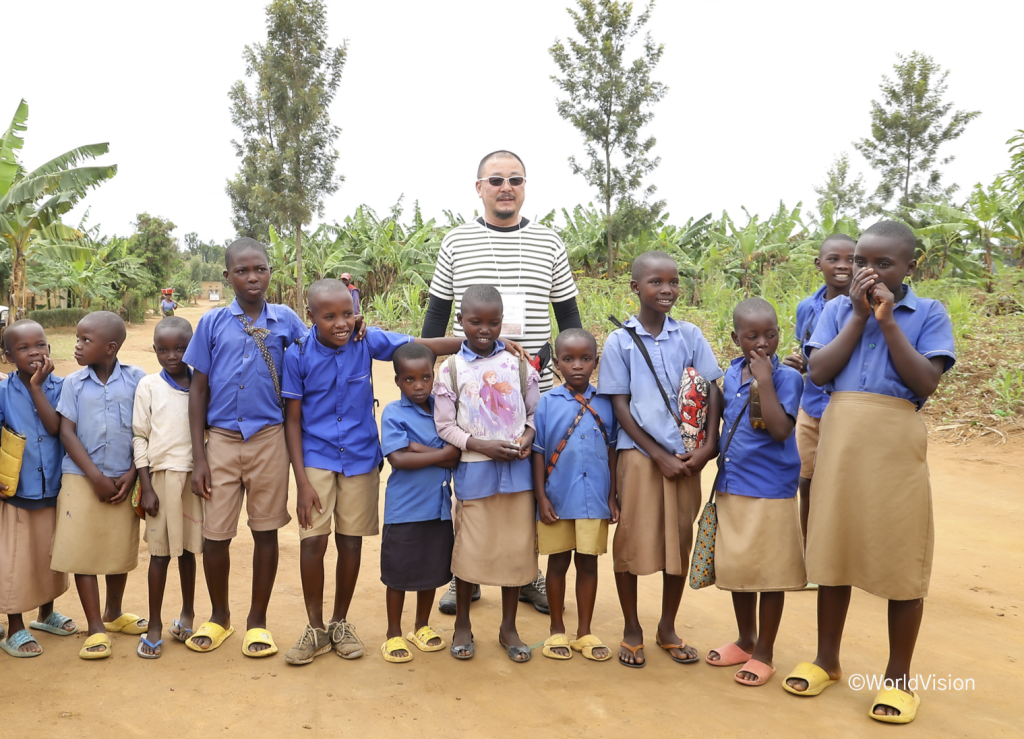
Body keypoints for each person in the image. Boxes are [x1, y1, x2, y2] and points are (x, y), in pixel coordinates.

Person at [784, 221, 955, 725]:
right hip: (840, 434)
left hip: (894, 438)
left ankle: (898, 679)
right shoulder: (837, 310)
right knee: (835, 549)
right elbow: (819, 373)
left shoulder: (928, 312)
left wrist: (886, 320)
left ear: (909, 267)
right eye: (862, 261)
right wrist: (858, 316)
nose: (868, 271)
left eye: (884, 264)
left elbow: (925, 379)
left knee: (901, 555)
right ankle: (826, 660)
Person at [280, 279, 487, 665]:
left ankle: (341, 622)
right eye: (329, 317)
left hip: (360, 457)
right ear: (310, 317)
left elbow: (422, 348)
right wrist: (302, 481)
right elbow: (292, 421)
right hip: (317, 457)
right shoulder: (297, 356)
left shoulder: (365, 340)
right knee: (313, 541)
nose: (341, 323)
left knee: (351, 540)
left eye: (347, 314)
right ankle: (315, 627)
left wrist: (480, 343)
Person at [423, 149, 585, 615]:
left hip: (529, 390)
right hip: (470, 391)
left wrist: (553, 371)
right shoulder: (456, 242)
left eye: (515, 179)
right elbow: (436, 318)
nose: (505, 187)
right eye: (495, 180)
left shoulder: (549, 243)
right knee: (469, 486)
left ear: (525, 186)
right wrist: (438, 378)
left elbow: (568, 317)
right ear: (479, 188)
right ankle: (465, 577)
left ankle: (525, 573)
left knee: (529, 486)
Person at [597, 251, 724, 668]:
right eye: (655, 282)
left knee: (679, 543)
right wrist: (657, 455)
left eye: (673, 281)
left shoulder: (690, 335)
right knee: (631, 540)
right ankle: (632, 627)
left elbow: (713, 390)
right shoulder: (620, 341)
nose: (666, 289)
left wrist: (707, 448)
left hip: (687, 459)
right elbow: (620, 406)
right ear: (636, 288)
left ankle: (667, 626)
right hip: (640, 458)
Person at [183, 238, 308, 657]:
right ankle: (220, 617)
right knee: (215, 536)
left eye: (260, 269)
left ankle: (258, 621)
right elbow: (197, 389)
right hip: (219, 441)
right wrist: (199, 455)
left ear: (271, 271)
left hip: (270, 439)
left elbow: (316, 357)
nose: (252, 277)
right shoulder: (212, 323)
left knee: (265, 530)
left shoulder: (287, 321)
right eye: (242, 271)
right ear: (227, 276)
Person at [433, 284, 540, 663]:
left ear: (502, 323)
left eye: (494, 323)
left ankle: (508, 626)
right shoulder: (450, 370)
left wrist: (527, 436)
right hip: (475, 473)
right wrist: (480, 445)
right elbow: (445, 427)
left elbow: (533, 416)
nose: (485, 330)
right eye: (475, 322)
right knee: (471, 550)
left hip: (518, 474)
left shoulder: (519, 364)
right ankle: (463, 622)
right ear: (460, 321)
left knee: (515, 551)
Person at [705, 298, 806, 687]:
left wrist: (765, 380)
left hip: (771, 489)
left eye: (771, 334)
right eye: (752, 336)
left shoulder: (788, 378)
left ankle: (765, 650)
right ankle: (745, 639)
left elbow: (780, 430)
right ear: (736, 338)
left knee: (770, 572)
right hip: (733, 484)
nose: (762, 343)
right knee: (740, 567)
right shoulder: (731, 374)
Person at [51, 311, 147, 660]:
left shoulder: (138, 380)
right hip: (81, 478)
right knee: (84, 552)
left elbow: (144, 431)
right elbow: (66, 432)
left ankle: (114, 612)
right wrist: (94, 477)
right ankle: (94, 626)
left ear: (110, 348)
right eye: (76, 339)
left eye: (85, 341)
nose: (77, 346)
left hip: (123, 478)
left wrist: (134, 472)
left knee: (118, 548)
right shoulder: (73, 384)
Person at [531, 328, 617, 663]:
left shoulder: (608, 403)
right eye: (568, 359)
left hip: (594, 499)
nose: (577, 366)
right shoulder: (547, 404)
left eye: (585, 359)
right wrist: (541, 498)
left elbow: (613, 453)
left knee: (588, 563)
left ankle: (585, 631)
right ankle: (556, 629)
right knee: (557, 563)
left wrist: (612, 497)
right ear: (557, 363)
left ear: (596, 362)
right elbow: (538, 452)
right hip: (557, 498)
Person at [377, 343, 460, 663]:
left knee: (430, 570)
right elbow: (398, 459)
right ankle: (393, 633)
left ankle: (421, 626)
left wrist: (417, 447)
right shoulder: (395, 413)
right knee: (398, 574)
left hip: (438, 508)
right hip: (405, 510)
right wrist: (443, 455)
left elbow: (457, 457)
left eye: (426, 377)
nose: (419, 385)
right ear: (398, 381)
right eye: (410, 380)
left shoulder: (443, 408)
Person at [0, 320, 75, 658]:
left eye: (40, 345)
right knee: (16, 560)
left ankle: (46, 613)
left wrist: (37, 388)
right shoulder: (2, 393)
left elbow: (57, 428)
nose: (35, 352)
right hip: (15, 491)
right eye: (24, 348)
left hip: (54, 489)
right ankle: (15, 625)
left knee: (50, 555)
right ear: (7, 355)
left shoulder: (61, 388)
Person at [132, 317, 202, 659]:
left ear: (192, 348)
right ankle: (155, 623)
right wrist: (146, 486)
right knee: (159, 554)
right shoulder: (148, 386)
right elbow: (140, 437)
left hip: (193, 478)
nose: (172, 355)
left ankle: (187, 613)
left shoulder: (203, 384)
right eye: (163, 349)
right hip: (159, 479)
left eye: (180, 348)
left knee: (189, 551)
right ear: (155, 349)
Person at [783, 234, 855, 552]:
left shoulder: (868, 307)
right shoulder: (806, 308)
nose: (842, 265)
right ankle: (808, 548)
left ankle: (844, 552)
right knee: (806, 479)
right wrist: (797, 364)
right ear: (818, 264)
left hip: (847, 408)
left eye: (851, 259)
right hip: (811, 405)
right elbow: (809, 349)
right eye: (834, 259)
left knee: (845, 484)